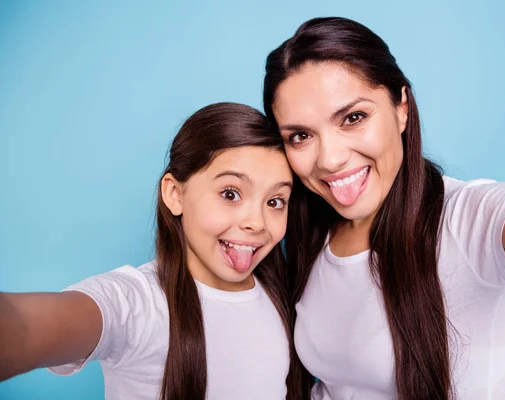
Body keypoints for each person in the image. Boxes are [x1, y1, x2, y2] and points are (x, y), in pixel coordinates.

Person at [263, 17, 505, 400]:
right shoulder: (310, 233)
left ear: (402, 108)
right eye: (301, 136)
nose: (330, 159)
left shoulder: (468, 219)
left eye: (353, 118)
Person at [0, 102, 301, 400]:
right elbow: (24, 328)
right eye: (230, 194)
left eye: (275, 201)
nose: (257, 222)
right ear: (174, 194)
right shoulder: (138, 304)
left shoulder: (281, 293)